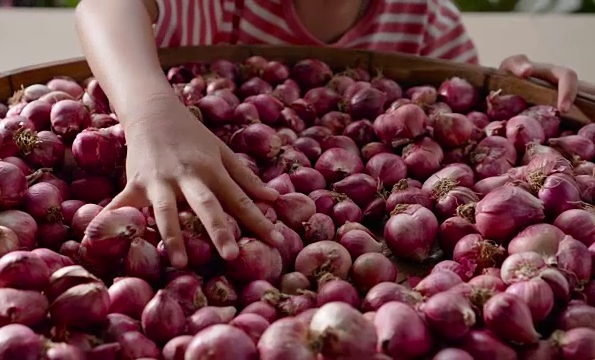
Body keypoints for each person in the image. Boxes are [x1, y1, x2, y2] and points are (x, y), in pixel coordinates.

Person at [74, 0, 594, 268]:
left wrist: (516, 92)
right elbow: (104, 6)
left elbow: (464, 122)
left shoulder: (426, 25)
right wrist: (150, 114)